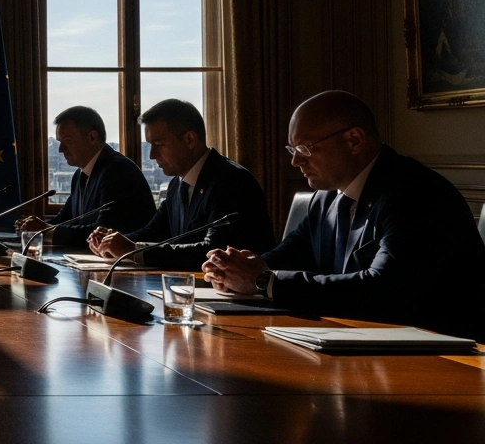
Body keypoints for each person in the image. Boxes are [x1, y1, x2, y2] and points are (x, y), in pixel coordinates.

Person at [203, 90, 485, 340]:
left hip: (441, 358)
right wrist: (235, 269)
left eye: (305, 148)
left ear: (354, 140)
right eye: (293, 149)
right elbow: (286, 257)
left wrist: (264, 281)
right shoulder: (325, 197)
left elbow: (382, 289)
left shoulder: (414, 193)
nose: (295, 161)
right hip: (362, 340)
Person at [87, 99, 274, 270]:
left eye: (159, 144)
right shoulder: (177, 184)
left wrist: (134, 250)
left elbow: (213, 252)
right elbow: (154, 232)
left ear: (189, 139)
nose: (152, 155)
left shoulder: (231, 181)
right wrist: (111, 242)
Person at [16, 106, 155, 246]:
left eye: (68, 141)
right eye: (60, 142)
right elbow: (66, 219)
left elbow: (103, 232)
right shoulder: (80, 174)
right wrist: (31, 228)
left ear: (92, 137)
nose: (60, 149)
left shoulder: (118, 170)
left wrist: (44, 232)